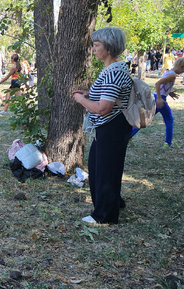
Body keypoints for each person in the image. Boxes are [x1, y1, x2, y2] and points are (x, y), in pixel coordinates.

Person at [72, 27, 133, 224]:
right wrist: (89, 94)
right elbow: (109, 96)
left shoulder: (114, 72)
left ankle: (105, 216)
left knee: (106, 169)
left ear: (108, 47)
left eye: (96, 45)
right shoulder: (114, 69)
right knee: (100, 167)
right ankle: (112, 202)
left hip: (112, 126)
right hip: (110, 127)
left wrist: (81, 100)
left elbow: (102, 108)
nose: (93, 49)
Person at [131, 57, 184, 148]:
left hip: (157, 97)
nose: (182, 73)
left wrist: (169, 93)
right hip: (159, 99)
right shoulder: (173, 75)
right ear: (182, 67)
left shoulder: (169, 72)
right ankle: (168, 143)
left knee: (145, 120)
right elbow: (157, 84)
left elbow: (163, 85)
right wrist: (159, 98)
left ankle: (127, 136)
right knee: (169, 119)